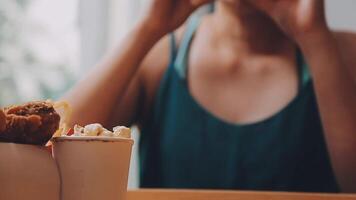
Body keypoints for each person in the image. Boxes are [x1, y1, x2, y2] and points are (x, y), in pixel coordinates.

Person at [64, 0, 356, 193]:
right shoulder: (160, 58)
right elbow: (53, 146)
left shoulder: (342, 55)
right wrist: (149, 27)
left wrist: (313, 35)